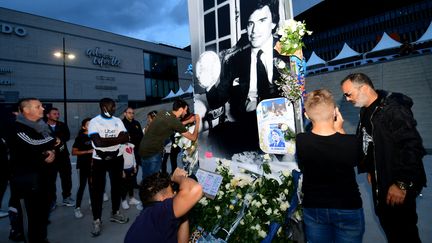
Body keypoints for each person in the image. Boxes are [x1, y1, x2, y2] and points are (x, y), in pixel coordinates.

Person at [340, 73, 426, 243]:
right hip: (381, 179)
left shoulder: (393, 109)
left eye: (348, 94)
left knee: (404, 232)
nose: (347, 99)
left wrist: (402, 183)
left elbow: (412, 146)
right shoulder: (366, 110)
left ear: (364, 88)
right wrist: (370, 168)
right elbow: (370, 141)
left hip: (397, 182)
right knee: (390, 227)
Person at [201, 0, 287, 156]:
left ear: (273, 23)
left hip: (278, 122)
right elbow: (217, 100)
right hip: (246, 124)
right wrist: (208, 82)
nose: (254, 30)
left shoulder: (286, 53)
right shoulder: (235, 60)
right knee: (216, 136)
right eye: (250, 23)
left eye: (262, 20)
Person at [296, 89, 365, 243]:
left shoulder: (301, 141)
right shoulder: (351, 142)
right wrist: (340, 129)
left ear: (306, 115)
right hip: (348, 207)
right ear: (335, 112)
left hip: (314, 208)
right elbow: (354, 160)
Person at [9, 98, 57, 243]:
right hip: (27, 181)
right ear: (26, 110)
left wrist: (51, 151)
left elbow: (48, 142)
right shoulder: (17, 127)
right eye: (38, 107)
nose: (43, 109)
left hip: (43, 177)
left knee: (42, 214)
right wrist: (52, 142)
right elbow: (34, 144)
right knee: (30, 216)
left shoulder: (40, 126)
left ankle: (41, 239)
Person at [124, 168, 203, 243]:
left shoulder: (149, 217)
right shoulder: (158, 212)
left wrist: (184, 211)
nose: (175, 193)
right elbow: (195, 189)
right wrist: (175, 177)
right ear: (162, 198)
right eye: (172, 191)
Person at [88, 98, 130, 237]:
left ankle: (115, 212)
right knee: (97, 191)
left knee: (116, 186)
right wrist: (117, 139)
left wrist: (107, 141)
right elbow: (97, 142)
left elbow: (126, 138)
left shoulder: (118, 121)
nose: (114, 108)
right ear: (104, 107)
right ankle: (96, 220)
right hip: (100, 160)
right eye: (112, 106)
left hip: (116, 158)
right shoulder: (95, 121)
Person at [138, 99, 200, 180]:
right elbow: (193, 137)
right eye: (186, 109)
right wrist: (198, 122)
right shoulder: (174, 122)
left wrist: (188, 120)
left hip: (143, 150)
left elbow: (173, 124)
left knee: (146, 179)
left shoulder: (163, 112)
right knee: (153, 181)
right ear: (181, 109)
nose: (186, 112)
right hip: (153, 153)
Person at [45, 107, 74, 207]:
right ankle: (52, 201)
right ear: (48, 115)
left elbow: (67, 137)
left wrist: (57, 140)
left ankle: (66, 197)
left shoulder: (62, 125)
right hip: (50, 157)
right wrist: (54, 141)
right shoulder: (42, 126)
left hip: (63, 156)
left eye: (58, 114)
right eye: (54, 114)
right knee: (50, 180)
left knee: (66, 177)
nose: (57, 116)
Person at [71, 118, 93, 219]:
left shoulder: (95, 136)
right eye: (88, 124)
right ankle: (77, 207)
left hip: (93, 165)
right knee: (82, 186)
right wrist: (87, 152)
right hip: (83, 165)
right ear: (83, 127)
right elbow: (74, 152)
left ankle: (92, 203)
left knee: (92, 185)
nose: (91, 125)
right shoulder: (80, 138)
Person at [122, 107, 143, 188]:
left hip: (137, 149)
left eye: (133, 113)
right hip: (127, 150)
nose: (132, 114)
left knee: (135, 166)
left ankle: (133, 183)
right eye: (129, 113)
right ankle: (126, 185)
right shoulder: (122, 123)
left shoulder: (137, 123)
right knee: (126, 168)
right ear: (125, 113)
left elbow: (141, 135)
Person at [120, 142, 141, 210]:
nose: (128, 137)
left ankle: (131, 199)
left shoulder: (131, 145)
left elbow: (133, 156)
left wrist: (134, 166)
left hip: (131, 168)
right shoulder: (120, 147)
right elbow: (120, 160)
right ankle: (123, 200)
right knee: (124, 186)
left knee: (131, 184)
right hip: (124, 170)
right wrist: (122, 170)